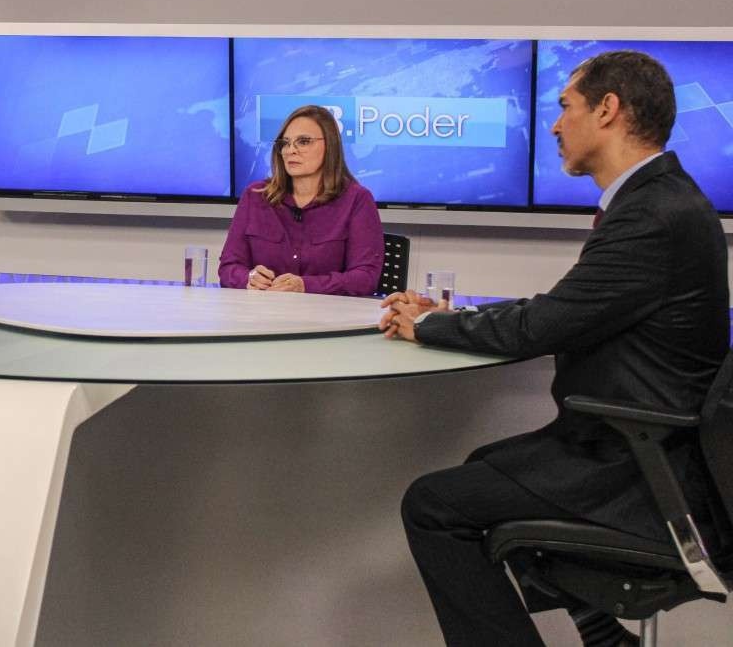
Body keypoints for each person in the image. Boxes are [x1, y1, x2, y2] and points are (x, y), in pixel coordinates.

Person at [380, 51, 730, 647]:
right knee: (484, 465)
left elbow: (542, 326)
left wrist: (430, 328)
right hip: (637, 443)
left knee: (433, 506)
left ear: (608, 109)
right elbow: (568, 307)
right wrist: (454, 316)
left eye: (565, 106)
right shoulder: (660, 199)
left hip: (638, 462)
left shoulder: (653, 214)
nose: (554, 124)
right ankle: (600, 630)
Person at [218, 104, 383, 295]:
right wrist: (248, 279)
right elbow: (229, 267)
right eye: (285, 143)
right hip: (263, 316)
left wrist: (306, 285)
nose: (291, 150)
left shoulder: (357, 200)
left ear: (330, 145)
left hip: (327, 319)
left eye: (303, 142)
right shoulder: (255, 196)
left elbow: (365, 278)